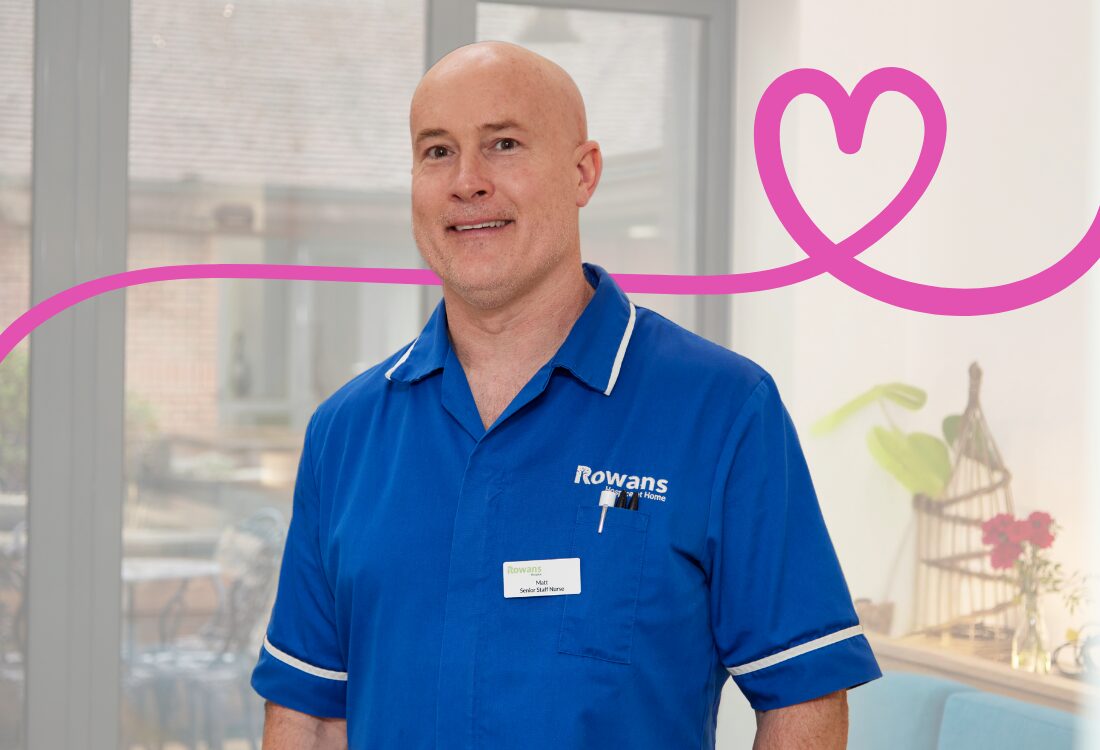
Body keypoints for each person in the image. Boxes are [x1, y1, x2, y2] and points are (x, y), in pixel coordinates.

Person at [250, 40, 881, 749]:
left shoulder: (723, 412)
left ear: (583, 173)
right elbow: (308, 712)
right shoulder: (346, 432)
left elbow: (804, 702)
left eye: (504, 144)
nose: (466, 181)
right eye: (437, 152)